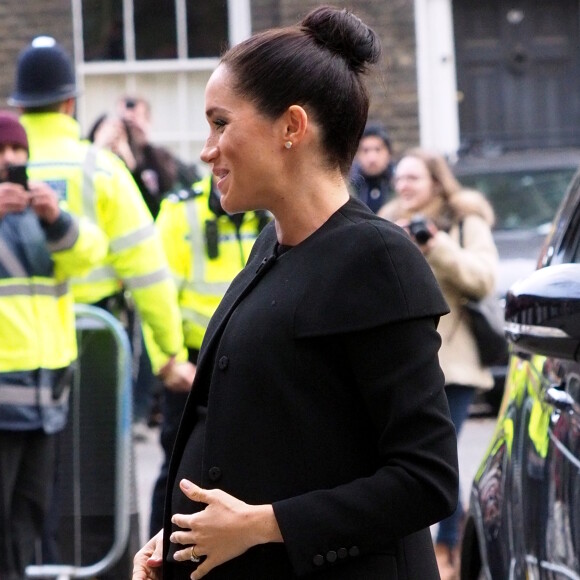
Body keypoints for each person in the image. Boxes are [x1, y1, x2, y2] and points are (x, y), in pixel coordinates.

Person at [133, 6, 458, 580]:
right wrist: (182, 536)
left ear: (291, 127)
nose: (207, 149)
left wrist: (261, 525)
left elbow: (424, 478)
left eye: (220, 123)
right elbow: (262, 438)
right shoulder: (268, 247)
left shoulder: (377, 258)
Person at [8, 36, 194, 577]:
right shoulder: (100, 168)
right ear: (70, 102)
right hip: (95, 347)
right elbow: (149, 271)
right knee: (94, 489)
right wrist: (167, 354)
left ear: (19, 105)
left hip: (22, 353)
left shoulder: (12, 163)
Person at [378, 148, 499, 580]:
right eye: (400, 178)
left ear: (435, 181)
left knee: (440, 459)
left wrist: (437, 244)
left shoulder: (464, 220)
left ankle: (447, 549)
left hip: (456, 364)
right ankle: (436, 549)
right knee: (410, 461)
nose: (404, 186)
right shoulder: (386, 220)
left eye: (414, 178)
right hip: (402, 364)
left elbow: (483, 280)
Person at [0, 112, 108, 580]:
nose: (11, 161)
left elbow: (90, 254)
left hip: (46, 398)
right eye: (2, 152)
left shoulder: (41, 214)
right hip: (4, 398)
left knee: (28, 516)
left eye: (18, 151)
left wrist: (56, 216)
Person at [146, 172, 270, 538]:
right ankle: (161, 556)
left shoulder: (267, 207)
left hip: (255, 358)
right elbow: (156, 291)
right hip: (193, 362)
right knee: (180, 468)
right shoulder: (180, 210)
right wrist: (167, 362)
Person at [348, 121, 395, 213]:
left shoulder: (399, 186)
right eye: (365, 150)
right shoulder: (348, 189)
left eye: (378, 150)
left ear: (389, 153)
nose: (372, 158)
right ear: (357, 155)